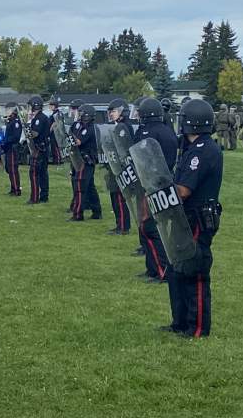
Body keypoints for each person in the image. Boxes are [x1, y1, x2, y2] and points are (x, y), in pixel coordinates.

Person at [164, 99, 223, 339]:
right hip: (184, 216)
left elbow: (184, 189)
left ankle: (197, 327)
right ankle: (180, 322)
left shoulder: (202, 150)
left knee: (194, 270)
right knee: (177, 268)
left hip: (197, 217)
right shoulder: (191, 147)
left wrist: (162, 191)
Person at [134, 98, 179, 282]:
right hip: (165, 182)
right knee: (156, 227)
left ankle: (161, 270)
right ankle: (152, 268)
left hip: (151, 183)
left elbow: (139, 155)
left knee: (150, 228)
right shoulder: (168, 130)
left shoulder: (146, 132)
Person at [68, 105, 102, 221]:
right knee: (90, 187)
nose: (79, 115)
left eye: (81, 113)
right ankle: (97, 211)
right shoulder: (79, 125)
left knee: (80, 186)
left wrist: (69, 135)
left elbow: (78, 141)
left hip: (85, 161)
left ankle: (78, 214)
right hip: (79, 158)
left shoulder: (89, 128)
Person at [106, 99, 131, 235]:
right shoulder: (119, 126)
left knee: (120, 197)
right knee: (114, 196)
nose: (111, 114)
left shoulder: (124, 127)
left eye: (113, 111)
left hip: (122, 167)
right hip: (116, 166)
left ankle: (123, 226)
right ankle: (119, 224)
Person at [26, 96, 51, 204]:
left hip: (39, 149)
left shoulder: (39, 118)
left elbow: (35, 133)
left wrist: (28, 130)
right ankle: (44, 196)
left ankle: (35, 197)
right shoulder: (42, 117)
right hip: (43, 148)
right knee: (43, 173)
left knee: (34, 173)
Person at [2, 104, 23, 196]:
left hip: (13, 147)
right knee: (9, 169)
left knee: (13, 169)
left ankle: (16, 189)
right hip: (8, 148)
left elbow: (16, 136)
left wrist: (6, 141)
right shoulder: (11, 121)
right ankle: (13, 188)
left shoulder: (16, 122)